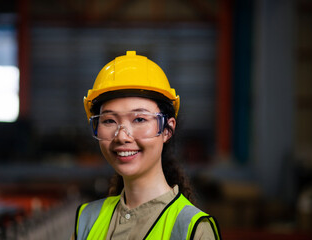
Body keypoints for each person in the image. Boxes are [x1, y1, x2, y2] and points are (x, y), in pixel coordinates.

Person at [71, 51, 221, 240]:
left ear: (167, 129)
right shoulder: (87, 219)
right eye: (109, 120)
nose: (122, 136)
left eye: (140, 119)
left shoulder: (192, 229)